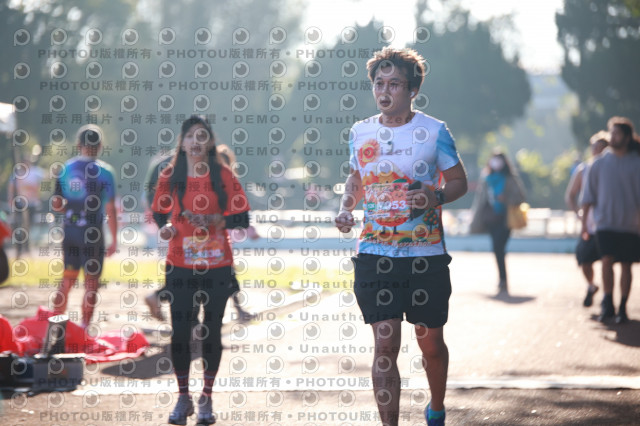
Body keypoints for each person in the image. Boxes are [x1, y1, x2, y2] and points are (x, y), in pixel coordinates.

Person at [334, 47, 468, 426]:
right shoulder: (360, 132)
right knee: (385, 344)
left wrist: (435, 196)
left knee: (430, 343)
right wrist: (346, 207)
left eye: (394, 84)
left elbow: (459, 181)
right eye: (379, 83)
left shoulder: (435, 131)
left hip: (426, 254)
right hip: (375, 253)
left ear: (412, 90)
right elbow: (356, 178)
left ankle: (436, 407)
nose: (385, 90)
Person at [151, 115, 250, 425]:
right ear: (182, 142)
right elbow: (159, 213)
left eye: (202, 136)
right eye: (190, 135)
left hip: (217, 265)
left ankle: (206, 397)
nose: (196, 141)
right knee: (180, 331)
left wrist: (217, 220)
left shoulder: (223, 174)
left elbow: (243, 218)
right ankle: (183, 397)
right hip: (180, 265)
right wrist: (166, 228)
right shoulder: (170, 174)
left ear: (210, 143)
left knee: (211, 330)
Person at [143, 144, 258, 322]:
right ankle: (168, 302)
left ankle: (166, 301)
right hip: (198, 237)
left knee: (208, 275)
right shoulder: (182, 170)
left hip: (203, 238)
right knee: (204, 276)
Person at [50, 125, 117, 328]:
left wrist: (71, 211)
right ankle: (85, 327)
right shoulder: (105, 172)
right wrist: (115, 238)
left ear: (78, 145)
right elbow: (110, 208)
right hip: (92, 233)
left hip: (70, 231)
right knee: (91, 283)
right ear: (100, 145)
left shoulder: (66, 168)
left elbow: (56, 204)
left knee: (67, 279)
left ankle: (54, 324)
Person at [580, 116, 640, 324]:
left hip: (631, 224)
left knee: (626, 264)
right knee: (606, 260)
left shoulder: (636, 163)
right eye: (611, 133)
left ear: (627, 137)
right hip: (605, 223)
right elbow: (587, 197)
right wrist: (584, 225)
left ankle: (623, 306)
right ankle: (607, 302)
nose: (612, 137)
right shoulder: (599, 163)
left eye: (617, 134)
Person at [469, 150, 526, 294]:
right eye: (494, 159)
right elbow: (479, 200)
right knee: (497, 248)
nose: (496, 163)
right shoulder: (486, 179)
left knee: (500, 248)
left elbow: (521, 197)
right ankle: (502, 279)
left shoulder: (510, 178)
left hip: (505, 218)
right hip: (491, 218)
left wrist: (506, 199)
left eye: (499, 160)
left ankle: (503, 279)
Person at [564, 131, 609, 306]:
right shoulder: (583, 170)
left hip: (607, 223)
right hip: (588, 225)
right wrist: (579, 213)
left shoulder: (612, 170)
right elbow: (570, 195)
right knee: (584, 259)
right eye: (594, 147)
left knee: (607, 262)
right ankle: (591, 285)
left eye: (601, 147)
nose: (596, 150)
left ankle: (607, 298)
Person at [8, 151, 44, 258]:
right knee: (19, 224)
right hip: (20, 203)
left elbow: (46, 176)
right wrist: (11, 199)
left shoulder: (35, 172)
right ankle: (19, 248)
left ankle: (27, 247)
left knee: (28, 226)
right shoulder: (17, 174)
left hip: (32, 203)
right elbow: (11, 188)